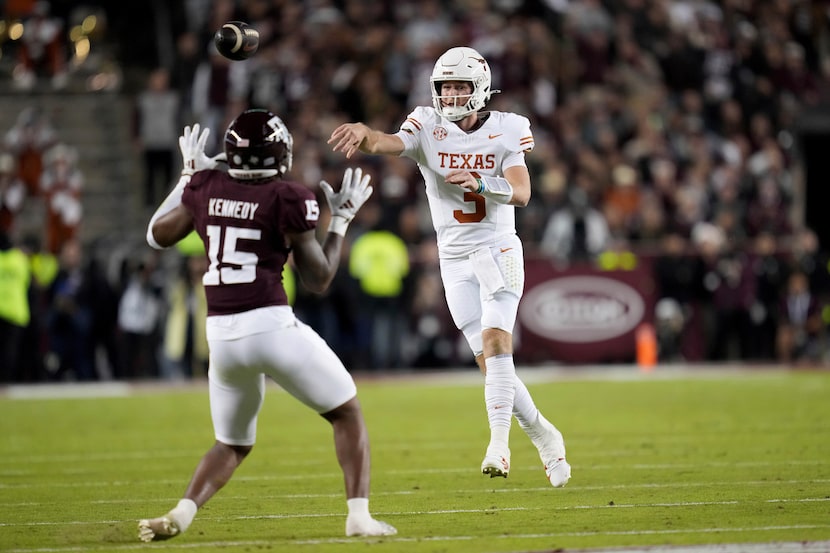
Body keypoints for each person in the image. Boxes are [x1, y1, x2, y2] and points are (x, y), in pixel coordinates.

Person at [138, 111, 396, 541]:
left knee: (233, 443)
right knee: (347, 413)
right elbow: (319, 279)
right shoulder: (287, 196)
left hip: (221, 336)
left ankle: (182, 513)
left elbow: (157, 235)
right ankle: (359, 516)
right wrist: (343, 221)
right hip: (271, 326)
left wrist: (187, 177)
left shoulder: (205, 187)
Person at [328, 46, 571, 486]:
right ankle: (543, 433)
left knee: (498, 344)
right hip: (454, 258)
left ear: (479, 88)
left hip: (498, 249)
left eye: (460, 86)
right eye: (446, 86)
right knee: (492, 365)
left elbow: (521, 192)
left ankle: (499, 446)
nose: (452, 95)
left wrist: (480, 182)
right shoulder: (427, 125)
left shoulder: (507, 129)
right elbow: (390, 143)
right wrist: (366, 134)